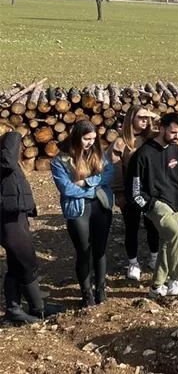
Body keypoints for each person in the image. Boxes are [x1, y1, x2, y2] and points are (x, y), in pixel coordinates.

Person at [2, 133, 64, 323]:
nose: (21, 146)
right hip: (7, 220)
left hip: (16, 216)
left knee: (16, 264)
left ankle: (16, 309)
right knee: (28, 263)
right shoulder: (5, 161)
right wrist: (13, 135)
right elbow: (7, 161)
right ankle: (37, 308)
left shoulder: (8, 163)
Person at [51, 121, 114, 306]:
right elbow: (66, 189)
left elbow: (109, 173)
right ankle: (86, 294)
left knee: (100, 250)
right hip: (77, 209)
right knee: (83, 252)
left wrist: (87, 183)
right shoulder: (60, 161)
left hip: (101, 206)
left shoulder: (97, 153)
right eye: (87, 139)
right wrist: (94, 189)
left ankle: (100, 289)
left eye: (93, 139)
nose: (90, 143)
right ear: (77, 137)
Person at [126, 114, 178, 298]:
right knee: (177, 235)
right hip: (157, 204)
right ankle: (176, 278)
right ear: (162, 129)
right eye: (173, 132)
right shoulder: (143, 154)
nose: (177, 136)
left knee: (167, 243)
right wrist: (149, 206)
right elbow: (134, 190)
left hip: (177, 202)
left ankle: (156, 286)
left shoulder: (175, 149)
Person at [107, 105, 158, 281]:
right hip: (130, 192)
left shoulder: (152, 138)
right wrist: (119, 193)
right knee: (132, 227)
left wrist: (153, 116)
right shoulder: (120, 143)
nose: (145, 120)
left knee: (153, 225)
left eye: (147, 117)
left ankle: (154, 257)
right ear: (131, 119)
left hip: (150, 191)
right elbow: (115, 169)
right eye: (141, 117)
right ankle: (133, 262)